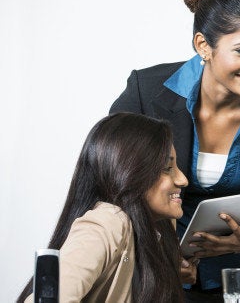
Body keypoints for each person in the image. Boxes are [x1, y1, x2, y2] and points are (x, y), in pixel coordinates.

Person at [109, 0, 240, 300]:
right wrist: (159, 253)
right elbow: (112, 188)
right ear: (204, 46)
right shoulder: (144, 93)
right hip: (153, 275)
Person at [17, 113, 194, 302]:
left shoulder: (162, 226)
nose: (182, 180)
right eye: (167, 168)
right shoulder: (108, 222)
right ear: (130, 173)